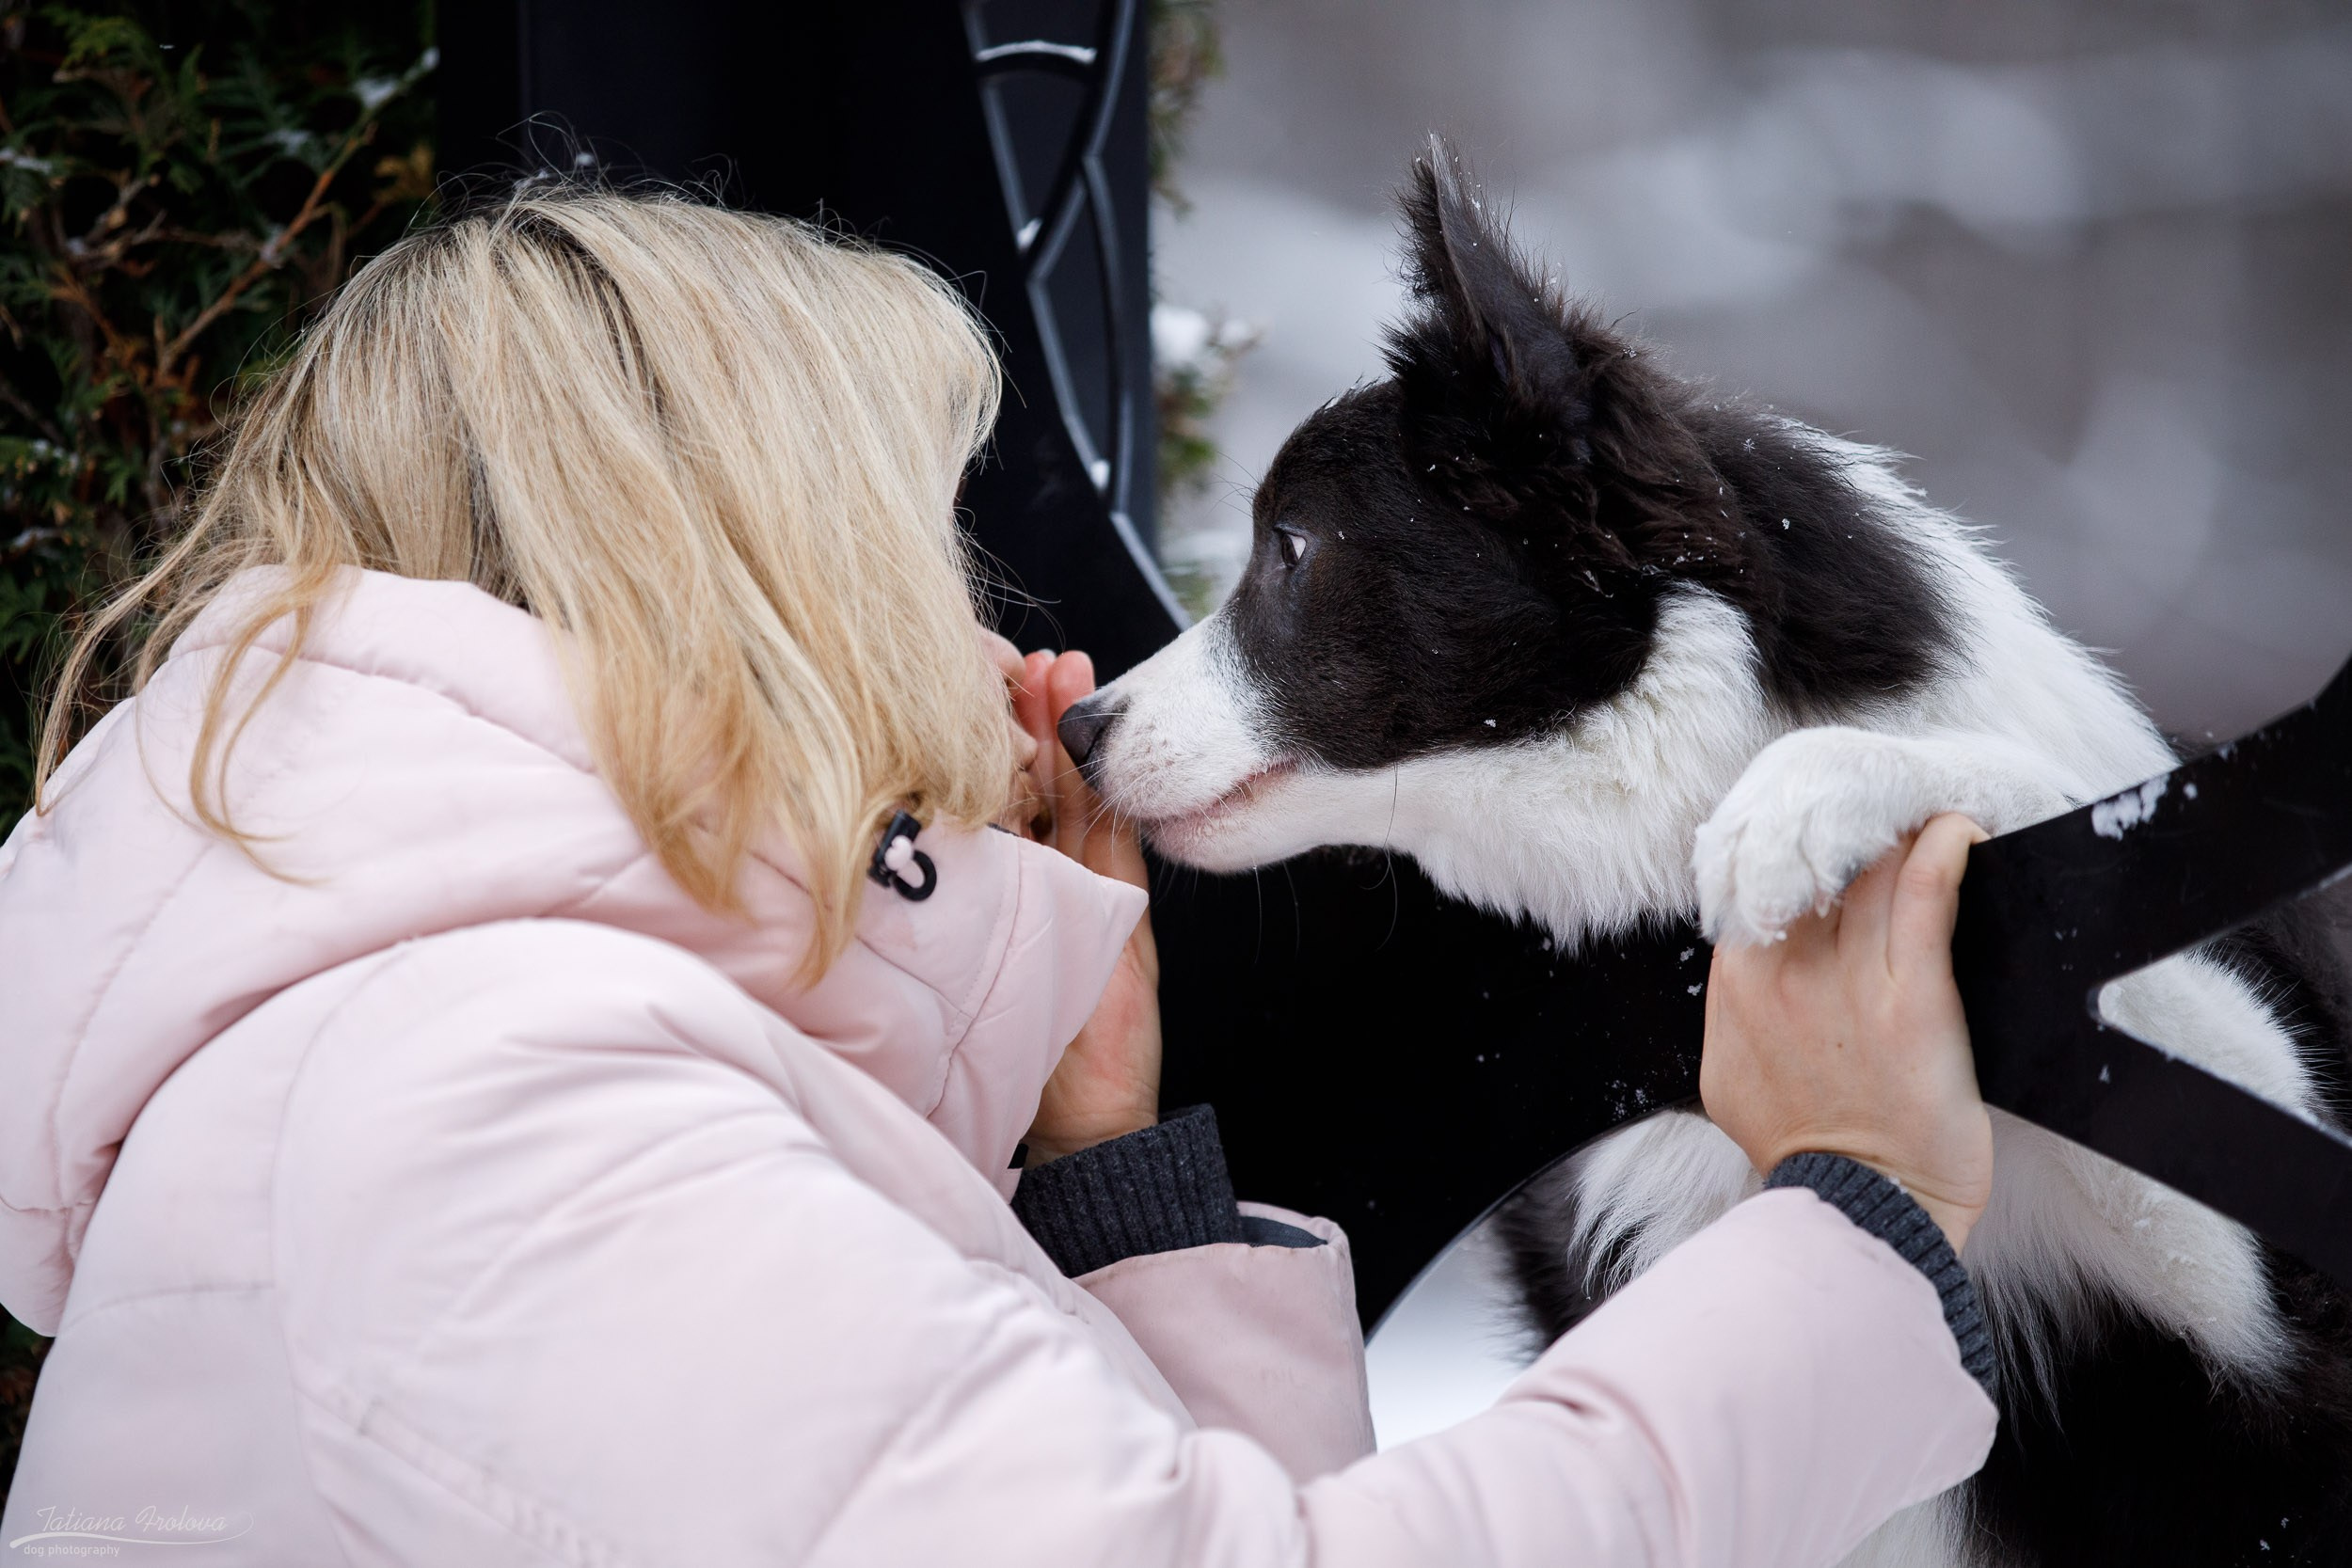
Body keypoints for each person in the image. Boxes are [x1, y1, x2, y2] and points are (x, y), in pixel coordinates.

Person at [0, 189, 1994, 1566]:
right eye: (915, 547)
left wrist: (1107, 1176)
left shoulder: (424, 1073)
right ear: (739, 576)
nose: (996, 643)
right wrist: (1849, 1223)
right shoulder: (504, 1116)